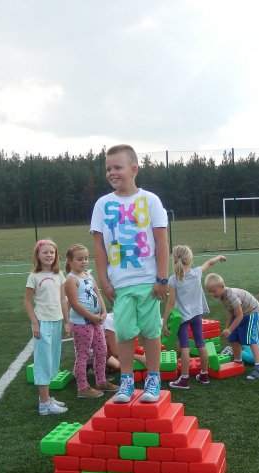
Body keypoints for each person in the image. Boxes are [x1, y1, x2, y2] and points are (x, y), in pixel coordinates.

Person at [91, 144, 169, 403]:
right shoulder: (102, 205)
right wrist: (103, 281)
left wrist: (162, 278)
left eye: (118, 167)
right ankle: (126, 381)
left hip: (148, 281)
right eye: (108, 169)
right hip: (120, 284)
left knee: (150, 332)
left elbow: (161, 242)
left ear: (134, 169)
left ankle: (153, 379)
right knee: (124, 332)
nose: (112, 173)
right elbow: (99, 247)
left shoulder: (151, 200)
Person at [161, 246, 226, 389]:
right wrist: (219, 257)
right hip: (197, 314)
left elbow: (170, 303)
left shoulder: (173, 280)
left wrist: (164, 322)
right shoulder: (196, 273)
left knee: (184, 347)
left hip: (182, 318)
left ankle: (184, 379)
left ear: (174, 260)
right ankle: (204, 375)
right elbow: (209, 263)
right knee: (200, 344)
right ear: (190, 259)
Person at [64, 244, 118, 399]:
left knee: (101, 351)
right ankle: (83, 388)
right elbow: (74, 304)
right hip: (82, 323)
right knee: (83, 355)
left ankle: (101, 381)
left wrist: (103, 311)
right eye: (79, 259)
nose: (84, 261)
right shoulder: (71, 280)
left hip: (96, 321)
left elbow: (97, 294)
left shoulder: (88, 275)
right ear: (70, 261)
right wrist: (91, 317)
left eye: (86, 258)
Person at [24, 239, 69, 415]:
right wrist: (35, 322)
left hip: (57, 321)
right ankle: (44, 404)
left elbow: (63, 300)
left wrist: (66, 321)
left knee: (52, 360)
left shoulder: (59, 275)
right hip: (42, 323)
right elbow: (27, 301)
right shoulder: (33, 276)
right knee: (43, 362)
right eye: (45, 252)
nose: (49, 255)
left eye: (52, 252)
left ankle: (47, 398)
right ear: (38, 255)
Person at [204, 273, 259, 380]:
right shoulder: (222, 296)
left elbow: (239, 315)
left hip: (251, 312)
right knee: (233, 337)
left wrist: (230, 329)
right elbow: (231, 312)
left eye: (214, 291)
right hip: (241, 314)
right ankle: (238, 362)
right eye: (210, 292)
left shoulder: (230, 295)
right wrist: (228, 328)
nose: (212, 294)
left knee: (252, 340)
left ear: (222, 286)